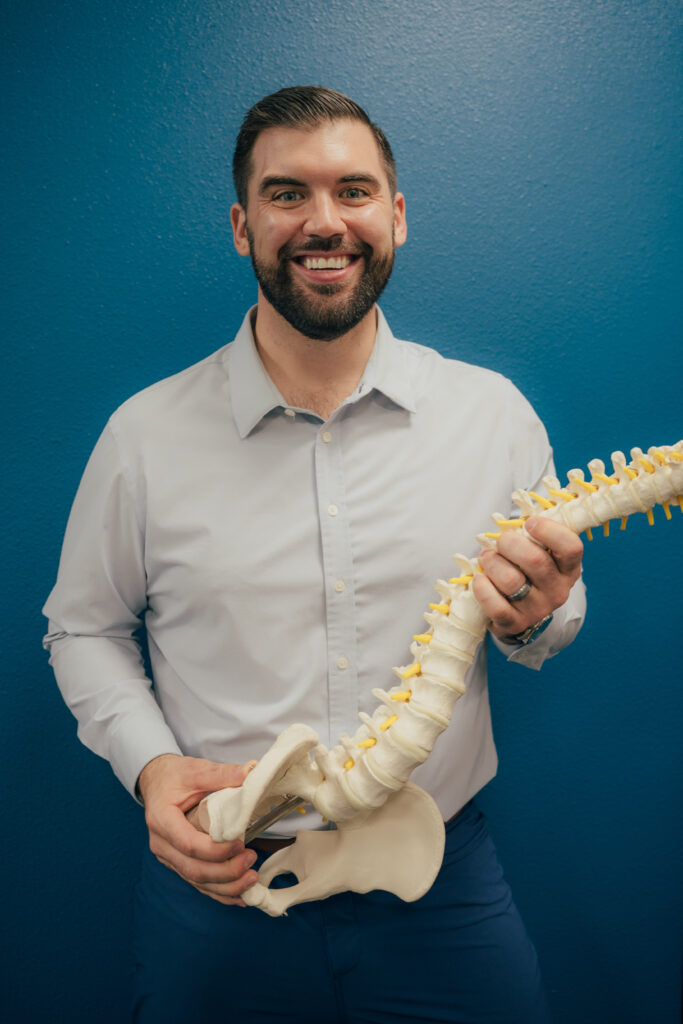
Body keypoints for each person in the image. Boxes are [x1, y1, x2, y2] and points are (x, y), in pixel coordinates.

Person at [44, 86, 585, 1023]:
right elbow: (81, 627)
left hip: (440, 883)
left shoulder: (492, 417)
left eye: (354, 191)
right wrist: (150, 768)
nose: (324, 223)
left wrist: (540, 614)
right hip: (223, 885)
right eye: (287, 194)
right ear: (241, 224)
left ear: (397, 216)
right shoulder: (144, 436)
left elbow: (546, 628)